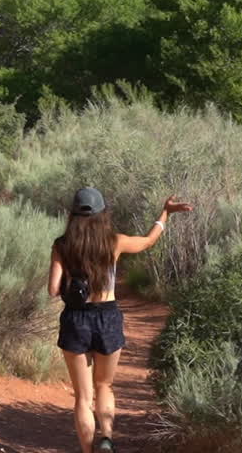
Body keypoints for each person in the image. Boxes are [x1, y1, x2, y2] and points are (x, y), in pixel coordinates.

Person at [47, 187, 193, 453]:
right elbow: (148, 241)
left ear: (73, 215)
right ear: (103, 214)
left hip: (76, 319)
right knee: (104, 385)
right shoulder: (114, 242)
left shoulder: (62, 245)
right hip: (107, 317)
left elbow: (53, 289)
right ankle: (106, 438)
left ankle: (88, 451)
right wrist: (165, 213)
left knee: (83, 398)